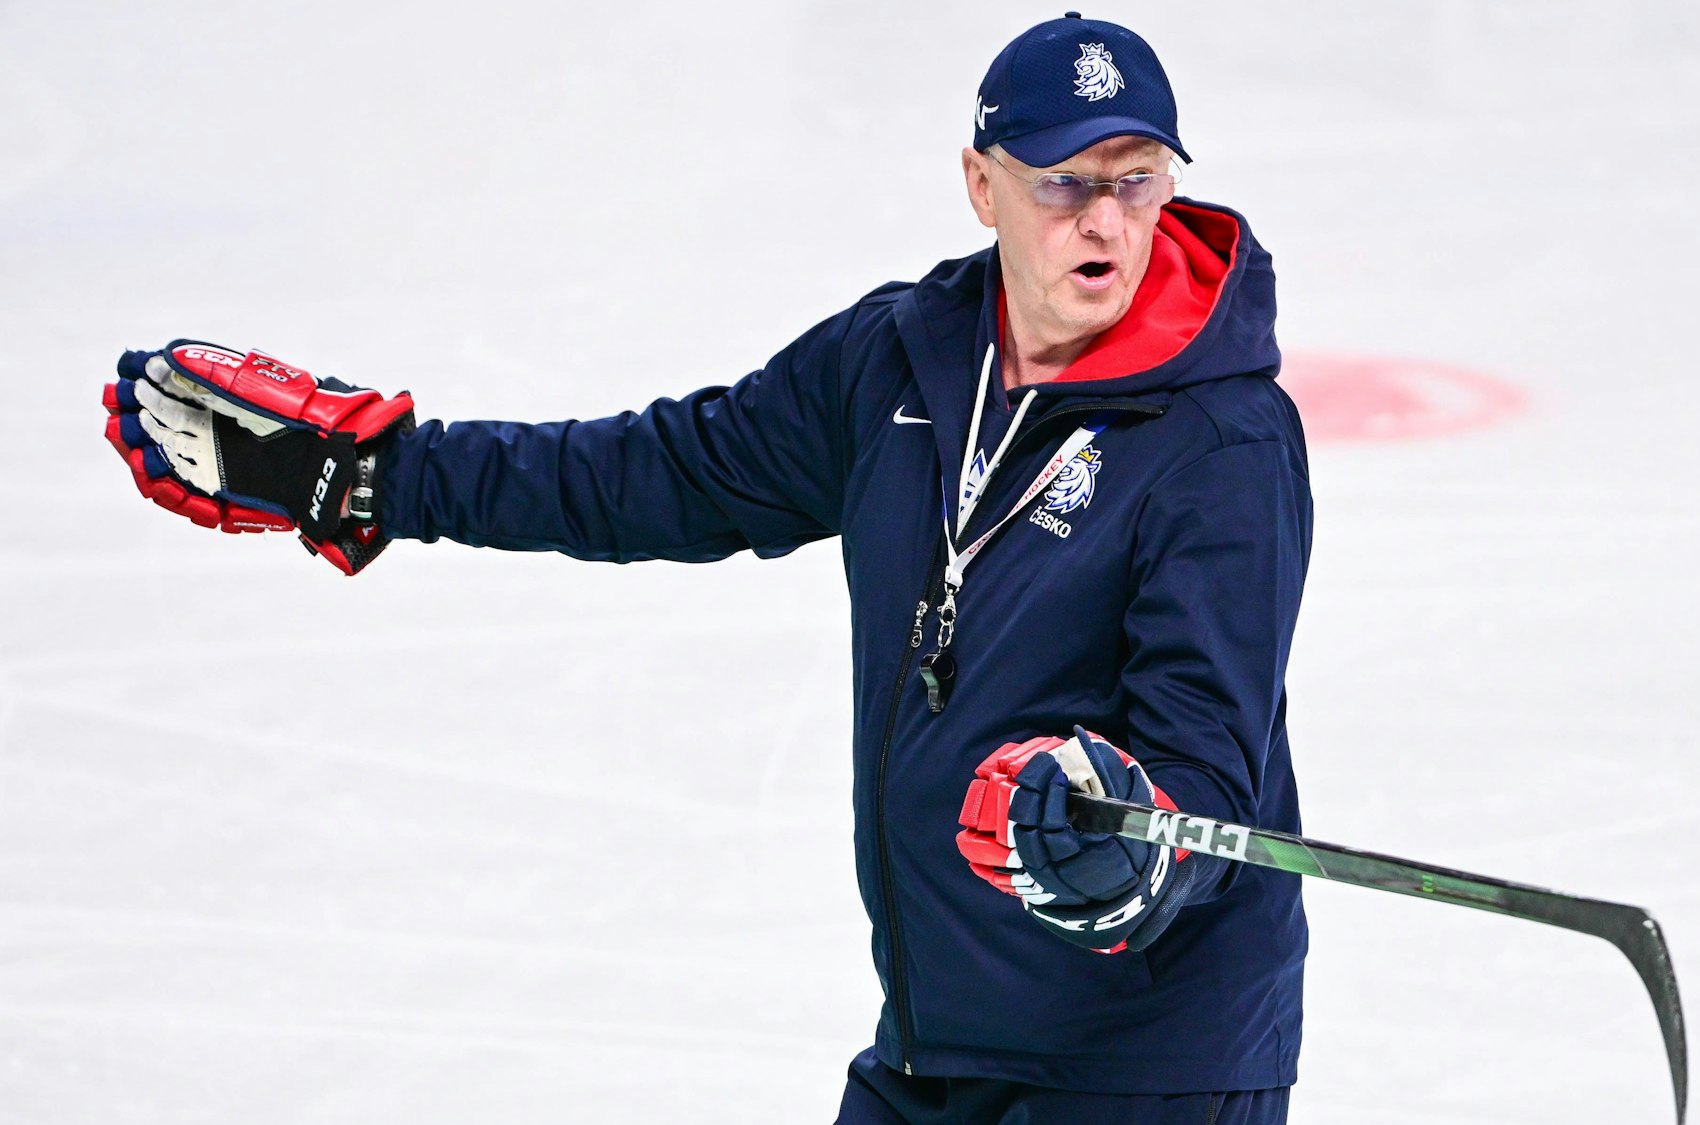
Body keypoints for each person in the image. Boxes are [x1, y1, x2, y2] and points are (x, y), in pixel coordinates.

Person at [102, 13, 1312, 1124]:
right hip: (942, 1041)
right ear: (979, 185)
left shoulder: (1221, 443)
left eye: (1136, 181)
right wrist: (386, 479)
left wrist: (1127, 849)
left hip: (1146, 1066)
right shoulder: (898, 362)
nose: (1105, 221)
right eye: (1063, 184)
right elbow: (659, 474)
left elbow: (1206, 755)